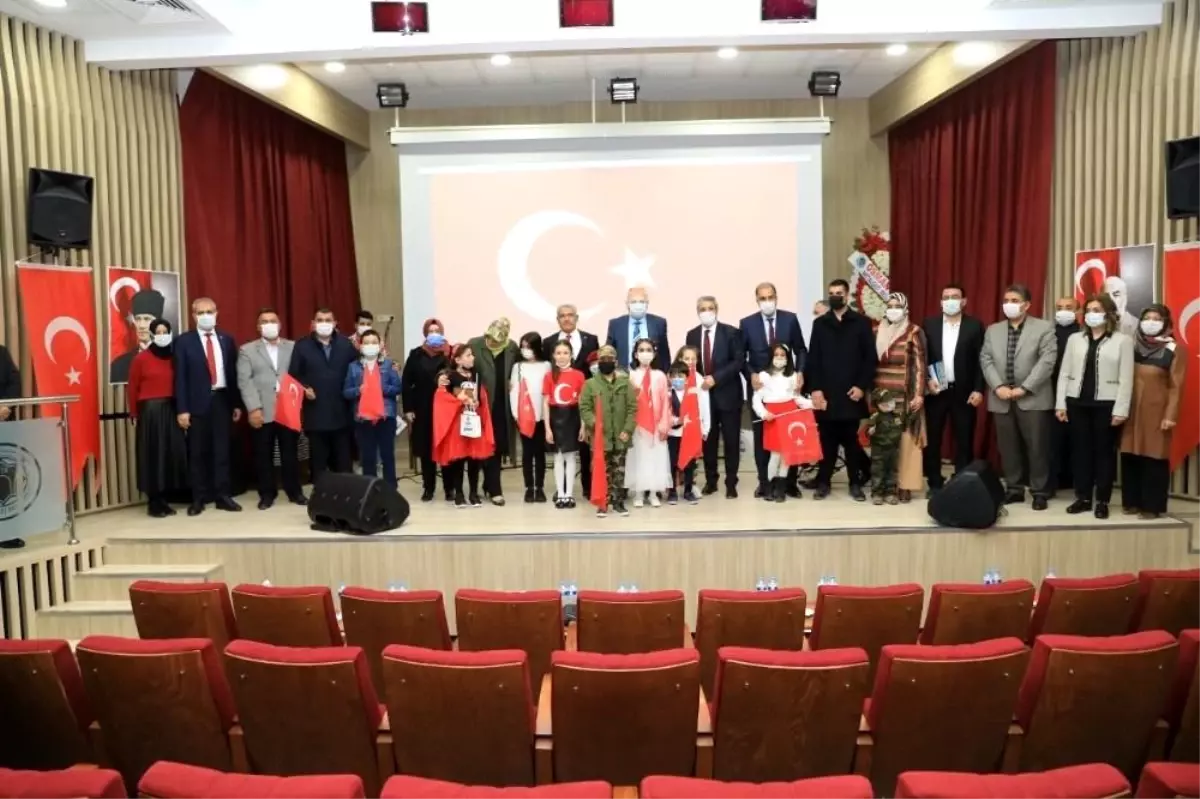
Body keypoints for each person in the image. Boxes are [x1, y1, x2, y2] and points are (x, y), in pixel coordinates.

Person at [1056, 293, 1134, 519]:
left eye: (1097, 310)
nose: (1092, 314)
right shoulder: (1075, 339)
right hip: (1077, 402)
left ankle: (1102, 500)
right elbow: (1064, 373)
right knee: (1080, 453)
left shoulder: (1123, 341)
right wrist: (1060, 403)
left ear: (1108, 314)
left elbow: (1126, 378)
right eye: (1089, 310)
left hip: (1106, 404)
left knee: (1103, 454)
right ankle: (1083, 497)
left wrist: (1121, 409)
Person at [980, 284, 1057, 510]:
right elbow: (986, 360)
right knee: (1008, 447)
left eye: (1014, 300)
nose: (1009, 304)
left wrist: (1024, 388)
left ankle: (1039, 491)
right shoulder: (993, 330)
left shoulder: (1044, 328)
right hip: (1001, 397)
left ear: (1026, 305)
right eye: (1006, 300)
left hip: (1032, 397)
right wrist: (998, 386)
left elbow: (1047, 362)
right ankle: (1014, 489)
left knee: (1037, 447)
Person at [804, 279, 876, 501]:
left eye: (839, 293)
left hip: (851, 393)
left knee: (851, 442)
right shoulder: (820, 324)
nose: (835, 296)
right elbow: (813, 359)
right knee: (826, 441)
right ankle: (823, 482)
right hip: (826, 395)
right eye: (831, 293)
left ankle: (855, 483)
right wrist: (815, 389)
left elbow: (869, 359)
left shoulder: (861, 323)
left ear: (847, 296)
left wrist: (861, 386)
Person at [174, 297, 242, 516]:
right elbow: (180, 378)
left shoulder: (226, 339)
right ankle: (198, 499)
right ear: (193, 316)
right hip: (196, 405)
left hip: (222, 400)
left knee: (222, 452)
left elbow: (232, 374)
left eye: (210, 311)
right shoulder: (184, 341)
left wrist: (236, 403)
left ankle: (223, 496)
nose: (206, 315)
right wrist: (182, 409)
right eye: (201, 312)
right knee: (197, 454)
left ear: (217, 313)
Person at [741, 281, 807, 498]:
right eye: (762, 298)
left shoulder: (790, 319)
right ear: (756, 300)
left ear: (776, 297)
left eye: (770, 297)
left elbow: (800, 349)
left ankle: (790, 483)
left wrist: (800, 372)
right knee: (763, 438)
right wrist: (750, 374)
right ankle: (764, 483)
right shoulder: (747, 323)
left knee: (791, 435)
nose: (767, 301)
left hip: (787, 389)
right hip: (763, 390)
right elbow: (742, 357)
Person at [1121, 304, 1187, 519]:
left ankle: (1152, 506)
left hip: (1157, 413)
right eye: (1147, 317)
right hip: (1130, 410)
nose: (1150, 322)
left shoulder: (1174, 349)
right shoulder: (1131, 345)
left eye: (1156, 318)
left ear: (1166, 323)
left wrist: (1170, 415)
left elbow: (1176, 386)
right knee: (1130, 454)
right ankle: (1131, 501)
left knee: (1154, 458)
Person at [237, 308, 305, 510]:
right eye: (264, 321)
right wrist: (253, 409)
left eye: (272, 320)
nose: (269, 324)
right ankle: (267, 494)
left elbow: (300, 375)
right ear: (258, 327)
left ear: (280, 324)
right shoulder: (247, 350)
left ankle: (295, 492)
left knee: (290, 454)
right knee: (263, 455)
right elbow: (244, 381)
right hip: (262, 410)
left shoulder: (294, 347)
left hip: (288, 410)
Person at [921, 283, 984, 494]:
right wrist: (928, 379)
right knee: (933, 439)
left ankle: (962, 482)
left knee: (964, 439)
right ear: (940, 302)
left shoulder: (974, 326)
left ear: (964, 301)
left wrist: (978, 389)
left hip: (964, 392)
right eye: (946, 297)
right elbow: (924, 357)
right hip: (937, 390)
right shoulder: (929, 324)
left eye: (954, 296)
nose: (950, 301)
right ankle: (934, 482)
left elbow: (980, 361)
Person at [289, 308, 358, 483]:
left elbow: (358, 371)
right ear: (313, 324)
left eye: (328, 319)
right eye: (320, 319)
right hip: (315, 415)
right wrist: (304, 388)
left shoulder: (346, 345)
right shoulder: (302, 346)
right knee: (318, 466)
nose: (324, 323)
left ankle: (346, 500)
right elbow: (294, 376)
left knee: (343, 465)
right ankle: (322, 500)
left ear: (335, 324)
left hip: (341, 414)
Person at [128, 319, 188, 518]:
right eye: (158, 331)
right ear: (153, 334)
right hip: (151, 412)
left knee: (171, 454)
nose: (162, 335)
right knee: (153, 456)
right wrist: (134, 412)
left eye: (165, 331)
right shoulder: (141, 359)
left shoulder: (175, 357)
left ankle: (165, 498)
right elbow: (133, 387)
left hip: (172, 409)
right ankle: (153, 501)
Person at [685, 296, 745, 498]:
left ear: (717, 309)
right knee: (707, 441)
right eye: (702, 309)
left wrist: (716, 378)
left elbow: (738, 362)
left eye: (710, 308)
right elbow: (690, 365)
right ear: (697, 311)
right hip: (703, 398)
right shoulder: (691, 335)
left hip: (728, 395)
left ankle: (731, 483)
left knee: (731, 441)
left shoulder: (731, 332)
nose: (706, 312)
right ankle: (711, 481)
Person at [873, 293, 928, 503]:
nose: (893, 309)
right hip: (880, 397)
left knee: (906, 441)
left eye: (897, 306)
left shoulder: (913, 331)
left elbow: (920, 365)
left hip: (904, 396)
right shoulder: (876, 331)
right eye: (890, 305)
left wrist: (919, 394)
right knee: (883, 443)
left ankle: (904, 485)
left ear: (905, 309)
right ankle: (882, 485)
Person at [543, 303, 599, 498]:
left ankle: (586, 488)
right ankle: (562, 490)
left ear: (577, 317)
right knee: (560, 454)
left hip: (579, 406)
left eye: (570, 315)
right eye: (562, 316)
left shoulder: (591, 340)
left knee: (582, 450)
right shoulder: (548, 341)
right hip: (558, 413)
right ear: (557, 319)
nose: (566, 318)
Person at [579, 345, 638, 518]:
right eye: (602, 360)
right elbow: (585, 408)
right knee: (601, 471)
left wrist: (628, 429)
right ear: (598, 362)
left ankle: (618, 501)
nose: (606, 362)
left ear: (616, 362)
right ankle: (602, 503)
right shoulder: (590, 384)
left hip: (620, 435)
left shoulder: (624, 383)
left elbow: (633, 408)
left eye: (609, 360)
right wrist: (594, 423)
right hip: (600, 438)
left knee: (619, 471)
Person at [468, 318, 520, 505]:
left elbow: (518, 370)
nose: (492, 342)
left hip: (501, 406)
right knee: (477, 446)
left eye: (497, 340)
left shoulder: (512, 348)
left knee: (495, 446)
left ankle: (494, 487)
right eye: (490, 338)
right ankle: (482, 487)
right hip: (478, 404)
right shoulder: (474, 344)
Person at [436, 344, 496, 508]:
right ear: (457, 359)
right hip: (458, 422)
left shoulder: (475, 376)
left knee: (474, 459)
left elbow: (482, 396)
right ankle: (459, 494)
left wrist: (478, 400)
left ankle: (473, 493)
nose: (472, 358)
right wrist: (458, 400)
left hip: (473, 419)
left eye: (472, 355)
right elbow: (442, 397)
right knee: (459, 459)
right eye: (468, 355)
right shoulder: (450, 376)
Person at [343, 329, 402, 489]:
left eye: (374, 342)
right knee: (367, 456)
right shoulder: (353, 367)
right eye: (366, 342)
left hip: (385, 416)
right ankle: (370, 488)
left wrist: (381, 388)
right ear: (360, 346)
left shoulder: (389, 365)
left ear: (380, 345)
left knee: (387, 454)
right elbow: (346, 392)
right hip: (363, 417)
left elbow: (397, 388)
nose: (370, 346)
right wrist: (358, 390)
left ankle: (390, 487)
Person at [402, 319, 452, 502]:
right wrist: (408, 408)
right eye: (430, 331)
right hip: (422, 408)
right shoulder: (416, 354)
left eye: (437, 330)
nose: (434, 333)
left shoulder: (450, 353)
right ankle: (428, 488)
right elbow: (406, 382)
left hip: (445, 409)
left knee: (445, 448)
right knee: (425, 449)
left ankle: (449, 488)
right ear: (425, 333)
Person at [751, 343, 808, 502]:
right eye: (776, 355)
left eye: (783, 355)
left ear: (788, 358)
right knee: (774, 454)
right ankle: (768, 486)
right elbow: (757, 399)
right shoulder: (764, 376)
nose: (779, 358)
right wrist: (763, 413)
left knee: (786, 455)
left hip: (789, 417)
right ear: (771, 357)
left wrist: (812, 404)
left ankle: (781, 487)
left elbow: (797, 398)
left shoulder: (793, 376)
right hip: (772, 418)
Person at [625, 338, 672, 507]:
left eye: (648, 350)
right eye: (641, 350)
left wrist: (664, 423)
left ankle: (653, 493)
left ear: (654, 353)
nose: (645, 353)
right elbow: (628, 402)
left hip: (656, 423)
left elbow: (665, 401)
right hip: (638, 424)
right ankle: (638, 492)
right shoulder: (630, 375)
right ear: (636, 354)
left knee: (655, 459)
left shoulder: (659, 376)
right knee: (639, 457)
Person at [544, 339, 586, 509]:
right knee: (558, 457)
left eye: (565, 353)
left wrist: (583, 425)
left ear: (571, 355)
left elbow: (583, 403)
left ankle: (569, 494)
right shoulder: (549, 376)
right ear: (553, 356)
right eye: (558, 353)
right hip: (555, 418)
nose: (562, 356)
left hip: (572, 417)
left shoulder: (579, 375)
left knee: (570, 456)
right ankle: (560, 493)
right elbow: (546, 403)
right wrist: (547, 427)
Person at [511, 332, 550, 503]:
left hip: (542, 415)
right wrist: (516, 414)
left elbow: (548, 390)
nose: (525, 350)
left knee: (540, 453)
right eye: (523, 346)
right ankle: (529, 487)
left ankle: (540, 487)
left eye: (528, 346)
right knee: (527, 454)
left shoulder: (546, 365)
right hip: (524, 416)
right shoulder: (517, 366)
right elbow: (514, 392)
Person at [666, 359, 709, 505]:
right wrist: (674, 421)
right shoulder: (667, 394)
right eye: (674, 376)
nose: (677, 379)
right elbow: (664, 414)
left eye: (681, 376)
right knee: (672, 463)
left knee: (690, 463)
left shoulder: (693, 393)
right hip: (673, 434)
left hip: (689, 433)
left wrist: (702, 429)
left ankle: (688, 490)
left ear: (687, 378)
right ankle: (672, 491)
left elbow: (699, 413)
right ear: (669, 377)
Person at [1051, 297, 1081, 495]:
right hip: (1051, 390)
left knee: (1078, 439)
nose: (1063, 311)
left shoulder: (1083, 334)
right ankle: (1055, 480)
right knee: (1053, 439)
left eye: (1068, 308)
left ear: (1078, 311)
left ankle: (1077, 480)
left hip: (1077, 392)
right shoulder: (1048, 333)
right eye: (1060, 308)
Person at [606, 287, 670, 372]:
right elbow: (609, 352)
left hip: (651, 376)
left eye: (642, 302)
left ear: (647, 303)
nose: (638, 305)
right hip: (622, 376)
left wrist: (664, 374)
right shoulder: (616, 324)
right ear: (627, 304)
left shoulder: (659, 323)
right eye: (633, 302)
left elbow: (664, 354)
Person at [110, 288, 165, 384]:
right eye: (138, 319)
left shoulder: (172, 360)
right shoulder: (119, 365)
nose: (141, 326)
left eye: (147, 319)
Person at [863, 388, 905, 505]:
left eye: (890, 402)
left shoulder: (897, 416)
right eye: (885, 403)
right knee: (878, 472)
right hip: (879, 450)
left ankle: (890, 493)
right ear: (878, 405)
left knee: (892, 471)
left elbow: (905, 423)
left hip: (894, 449)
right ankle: (877, 493)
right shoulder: (876, 417)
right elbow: (866, 430)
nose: (889, 405)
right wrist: (870, 431)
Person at [0, 343, 24, 549]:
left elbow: (14, 381)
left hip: (3, 425)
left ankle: (6, 533)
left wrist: (5, 405)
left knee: (5, 478)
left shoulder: (0, 352)